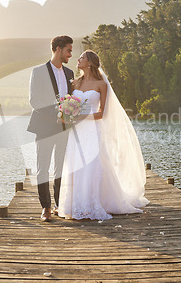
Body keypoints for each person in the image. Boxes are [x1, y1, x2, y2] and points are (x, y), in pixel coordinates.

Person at [58, 50, 149, 220]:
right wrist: (67, 115)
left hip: (93, 130)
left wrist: (81, 117)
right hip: (77, 132)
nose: (78, 59)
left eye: (82, 57)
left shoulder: (102, 85)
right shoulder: (75, 83)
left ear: (90, 63)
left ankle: (94, 204)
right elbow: (68, 106)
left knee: (93, 166)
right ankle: (77, 205)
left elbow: (102, 114)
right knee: (76, 166)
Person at [27, 35, 74, 222]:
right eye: (68, 50)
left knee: (61, 167)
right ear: (57, 49)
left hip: (64, 128)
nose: (70, 54)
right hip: (44, 127)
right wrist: (55, 115)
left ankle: (58, 204)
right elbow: (34, 100)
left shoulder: (70, 73)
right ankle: (45, 207)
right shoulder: (38, 72)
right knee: (43, 168)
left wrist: (70, 115)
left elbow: (71, 99)